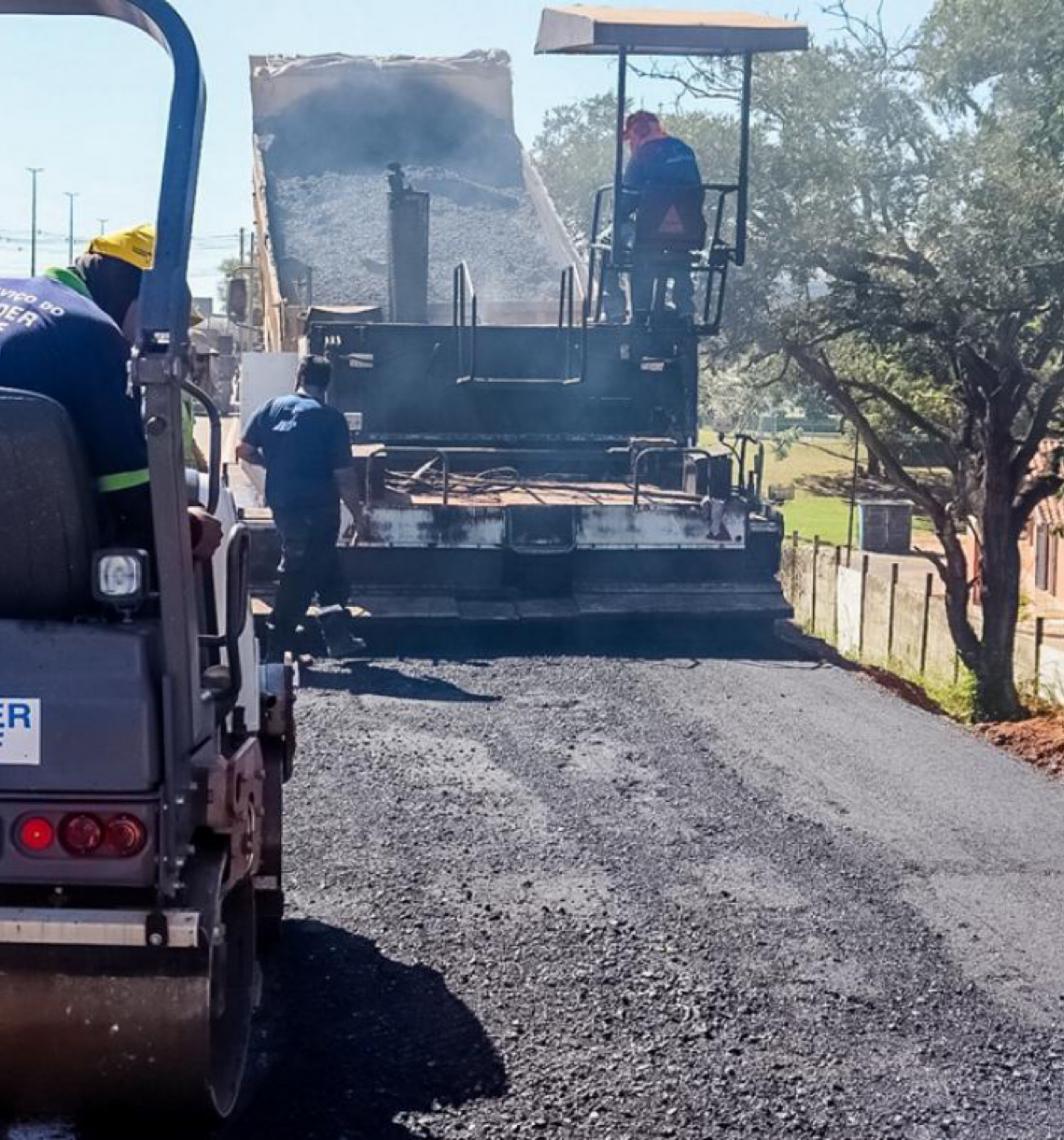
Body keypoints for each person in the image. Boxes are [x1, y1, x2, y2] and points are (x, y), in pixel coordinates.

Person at [0, 224, 220, 560]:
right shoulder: (91, 333)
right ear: (144, 296)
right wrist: (189, 528)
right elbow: (129, 497)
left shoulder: (12, 295)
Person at [237, 355, 365, 660]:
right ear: (327, 384)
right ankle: (276, 647)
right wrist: (359, 515)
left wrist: (273, 463)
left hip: (284, 506)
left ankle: (338, 637)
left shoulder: (272, 408)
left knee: (326, 566)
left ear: (299, 378)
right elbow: (344, 477)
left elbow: (243, 450)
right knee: (299, 573)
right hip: (318, 509)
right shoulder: (331, 419)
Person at [602, 111, 705, 322]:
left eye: (630, 139)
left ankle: (617, 312)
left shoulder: (643, 155)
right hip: (687, 233)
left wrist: (617, 211)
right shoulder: (685, 150)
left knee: (605, 243)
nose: (630, 145)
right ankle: (685, 308)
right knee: (678, 253)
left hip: (647, 236)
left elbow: (624, 205)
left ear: (638, 133)